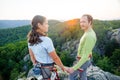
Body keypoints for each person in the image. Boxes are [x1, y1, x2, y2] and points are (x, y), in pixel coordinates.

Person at [27, 15, 65, 79]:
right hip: (48, 70)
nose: (48, 25)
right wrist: (62, 67)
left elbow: (32, 56)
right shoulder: (46, 40)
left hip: (39, 69)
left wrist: (35, 64)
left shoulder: (30, 40)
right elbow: (55, 58)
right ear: (39, 25)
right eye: (46, 23)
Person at [65, 14, 97, 80]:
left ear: (90, 22)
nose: (81, 24)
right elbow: (88, 50)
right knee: (83, 74)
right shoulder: (88, 32)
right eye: (80, 22)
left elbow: (85, 56)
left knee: (71, 75)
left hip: (84, 61)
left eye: (84, 22)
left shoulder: (89, 36)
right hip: (84, 60)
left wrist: (73, 68)